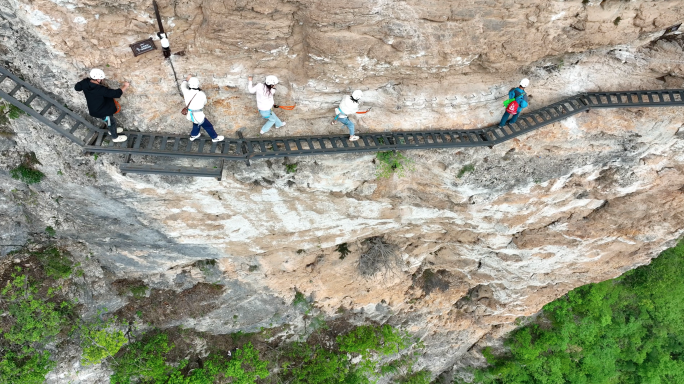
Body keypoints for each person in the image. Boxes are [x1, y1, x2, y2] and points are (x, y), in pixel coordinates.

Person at [74, 68, 129, 143]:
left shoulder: (85, 82)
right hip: (101, 111)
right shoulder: (100, 89)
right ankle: (114, 137)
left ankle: (112, 130)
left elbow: (77, 88)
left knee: (109, 120)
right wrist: (125, 86)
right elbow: (116, 94)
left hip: (96, 108)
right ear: (98, 79)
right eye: (101, 79)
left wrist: (82, 83)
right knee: (111, 121)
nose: (102, 80)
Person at [181, 75, 224, 142]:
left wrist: (186, 79)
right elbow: (204, 102)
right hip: (198, 114)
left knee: (196, 123)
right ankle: (215, 137)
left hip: (190, 114)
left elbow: (183, 86)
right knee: (208, 126)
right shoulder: (201, 94)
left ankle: (194, 135)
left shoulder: (186, 91)